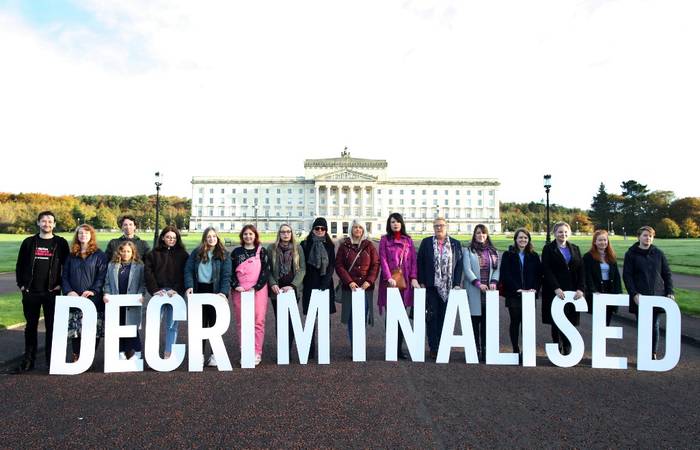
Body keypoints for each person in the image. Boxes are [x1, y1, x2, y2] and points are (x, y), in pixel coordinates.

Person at [14, 211, 70, 372]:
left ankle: (50, 360)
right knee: (30, 327)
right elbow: (20, 265)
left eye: (50, 221)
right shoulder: (29, 242)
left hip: (51, 292)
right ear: (38, 223)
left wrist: (61, 284)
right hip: (31, 292)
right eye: (44, 221)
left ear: (54, 224)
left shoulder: (60, 243)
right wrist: (22, 285)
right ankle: (28, 360)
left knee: (51, 327)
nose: (47, 224)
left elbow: (67, 266)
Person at [623, 226, 674, 360]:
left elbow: (667, 274)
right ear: (638, 237)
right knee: (644, 326)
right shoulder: (631, 254)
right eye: (645, 235)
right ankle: (644, 352)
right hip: (639, 297)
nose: (648, 238)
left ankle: (653, 353)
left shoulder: (659, 253)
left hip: (658, 296)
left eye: (650, 236)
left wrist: (670, 292)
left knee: (655, 325)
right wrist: (633, 294)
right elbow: (627, 276)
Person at [184, 227, 232, 367]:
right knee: (199, 324)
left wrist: (223, 292)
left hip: (215, 291)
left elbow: (226, 275)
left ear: (217, 238)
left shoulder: (224, 254)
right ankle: (199, 354)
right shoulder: (196, 253)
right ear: (205, 238)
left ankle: (214, 354)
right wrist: (189, 286)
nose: (212, 239)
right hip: (199, 289)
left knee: (214, 323)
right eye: (209, 236)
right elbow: (188, 270)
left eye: (214, 236)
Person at [62, 224, 108, 362]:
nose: (83, 235)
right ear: (77, 236)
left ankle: (88, 356)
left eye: (86, 233)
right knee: (76, 329)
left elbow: (102, 276)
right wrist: (69, 291)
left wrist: (93, 290)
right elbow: (64, 276)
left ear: (91, 236)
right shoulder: (71, 256)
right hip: (75, 298)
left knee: (94, 329)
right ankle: (77, 355)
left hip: (94, 298)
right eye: (80, 233)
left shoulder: (100, 255)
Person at [378, 213, 420, 359]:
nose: (395, 224)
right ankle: (392, 347)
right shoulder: (384, 240)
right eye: (392, 222)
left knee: (402, 315)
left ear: (401, 224)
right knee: (391, 315)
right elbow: (382, 259)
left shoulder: (408, 240)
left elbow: (414, 260)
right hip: (390, 282)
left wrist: (414, 278)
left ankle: (399, 349)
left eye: (397, 222)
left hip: (405, 281)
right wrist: (388, 277)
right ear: (389, 225)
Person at [144, 225, 188, 359]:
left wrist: (177, 290)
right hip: (159, 293)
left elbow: (185, 274)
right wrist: (155, 290)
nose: (171, 240)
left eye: (174, 238)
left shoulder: (183, 255)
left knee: (172, 325)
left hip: (175, 294)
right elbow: (148, 273)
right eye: (168, 237)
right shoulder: (153, 254)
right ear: (163, 238)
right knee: (154, 324)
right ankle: (152, 353)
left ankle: (169, 352)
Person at [541, 221, 584, 355]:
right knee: (556, 320)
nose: (563, 234)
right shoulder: (548, 248)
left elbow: (581, 270)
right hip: (555, 290)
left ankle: (567, 345)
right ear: (555, 233)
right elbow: (546, 270)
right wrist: (556, 288)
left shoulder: (575, 248)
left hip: (572, 290)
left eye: (565, 232)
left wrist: (581, 288)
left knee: (569, 319)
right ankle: (557, 345)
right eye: (560, 232)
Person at [335, 220, 380, 349]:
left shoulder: (369, 245)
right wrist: (349, 281)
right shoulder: (344, 245)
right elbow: (339, 265)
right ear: (351, 229)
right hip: (350, 288)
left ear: (363, 230)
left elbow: (375, 264)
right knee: (350, 317)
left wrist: (369, 281)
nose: (358, 230)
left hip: (365, 288)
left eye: (360, 227)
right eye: (355, 227)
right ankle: (355, 346)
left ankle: (360, 344)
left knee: (362, 316)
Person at [499, 228, 542, 357]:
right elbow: (505, 274)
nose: (523, 240)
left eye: (525, 238)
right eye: (520, 237)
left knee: (527, 323)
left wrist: (535, 288)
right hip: (514, 294)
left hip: (529, 294)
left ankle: (526, 350)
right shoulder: (508, 254)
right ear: (515, 239)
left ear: (528, 240)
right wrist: (517, 289)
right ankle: (515, 348)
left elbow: (538, 275)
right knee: (515, 321)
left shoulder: (533, 255)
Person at [231, 224, 270, 366]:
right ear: (242, 236)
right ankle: (244, 351)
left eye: (251, 234)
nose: (248, 236)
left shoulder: (262, 251)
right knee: (242, 322)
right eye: (245, 234)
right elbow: (230, 271)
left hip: (258, 290)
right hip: (240, 290)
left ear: (255, 236)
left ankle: (256, 351)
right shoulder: (236, 252)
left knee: (258, 321)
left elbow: (266, 271)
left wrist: (256, 287)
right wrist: (236, 285)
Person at [300, 217, 337, 360]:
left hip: (325, 286)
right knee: (310, 320)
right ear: (313, 229)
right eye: (317, 228)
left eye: (323, 229)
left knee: (324, 320)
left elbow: (331, 266)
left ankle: (324, 348)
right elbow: (302, 266)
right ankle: (310, 350)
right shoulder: (305, 244)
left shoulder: (330, 246)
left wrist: (325, 283)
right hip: (310, 285)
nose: (320, 231)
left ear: (326, 230)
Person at [462, 224, 500, 362]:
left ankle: (485, 349)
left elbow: (496, 269)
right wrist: (478, 283)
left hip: (488, 292)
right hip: (474, 290)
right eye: (478, 233)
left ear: (487, 235)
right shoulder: (468, 251)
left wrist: (494, 281)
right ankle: (475, 349)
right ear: (474, 234)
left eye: (483, 233)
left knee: (486, 323)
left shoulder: (492, 251)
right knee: (474, 322)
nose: (481, 235)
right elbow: (467, 270)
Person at [103, 241, 146, 360]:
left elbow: (142, 284)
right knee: (119, 325)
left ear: (133, 252)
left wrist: (141, 295)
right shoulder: (112, 265)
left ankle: (137, 351)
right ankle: (120, 351)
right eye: (123, 251)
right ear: (119, 252)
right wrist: (106, 293)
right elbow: (107, 282)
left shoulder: (139, 266)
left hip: (132, 301)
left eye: (128, 251)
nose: (125, 253)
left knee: (132, 327)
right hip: (115, 301)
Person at [268, 224, 305, 355]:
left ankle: (288, 349)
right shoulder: (271, 248)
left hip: (293, 290)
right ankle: (282, 350)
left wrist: (293, 285)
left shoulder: (297, 248)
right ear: (279, 234)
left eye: (288, 232)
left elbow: (302, 269)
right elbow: (268, 269)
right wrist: (272, 284)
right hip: (276, 290)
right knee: (280, 320)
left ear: (291, 233)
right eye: (283, 232)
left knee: (290, 320)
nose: (286, 234)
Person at [583, 229, 622, 327]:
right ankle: (597, 341)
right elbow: (587, 276)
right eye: (600, 240)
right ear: (595, 242)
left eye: (605, 240)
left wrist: (618, 292)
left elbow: (616, 276)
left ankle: (603, 341)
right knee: (599, 321)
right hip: (597, 290)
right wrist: (592, 290)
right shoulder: (588, 257)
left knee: (607, 319)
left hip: (610, 289)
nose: (603, 242)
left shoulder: (611, 256)